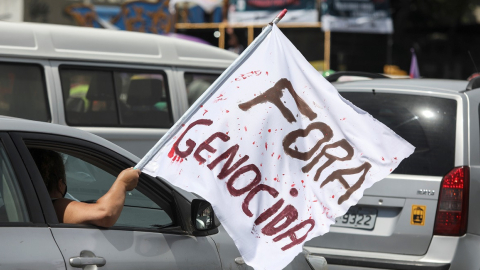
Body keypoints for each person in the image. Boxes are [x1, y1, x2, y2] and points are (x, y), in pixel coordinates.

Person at [29, 148, 140, 227]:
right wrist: (123, 183)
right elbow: (105, 214)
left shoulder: (25, 205)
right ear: (60, 185)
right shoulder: (54, 206)